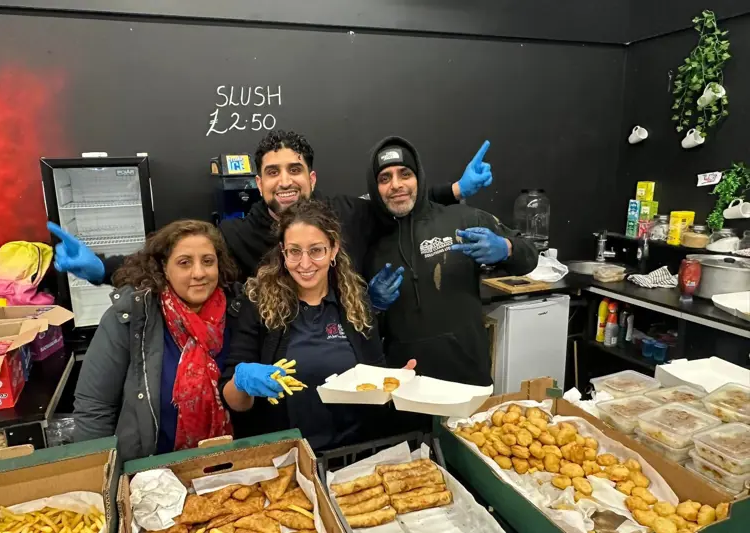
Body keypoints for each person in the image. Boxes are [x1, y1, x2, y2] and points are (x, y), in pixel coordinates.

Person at [48, 130, 493, 311]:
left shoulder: (348, 213)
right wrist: (101, 268)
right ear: (259, 183)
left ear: (311, 178)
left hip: (356, 359)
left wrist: (455, 190)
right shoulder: (235, 236)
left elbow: (395, 200)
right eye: (273, 172)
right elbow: (174, 262)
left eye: (295, 170)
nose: (285, 181)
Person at [220, 200, 393, 450]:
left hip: (353, 453)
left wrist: (394, 384)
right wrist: (241, 381)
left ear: (333, 249)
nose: (304, 263)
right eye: (294, 251)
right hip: (286, 455)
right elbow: (234, 401)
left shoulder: (356, 301)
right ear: (283, 252)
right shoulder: (258, 304)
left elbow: (376, 376)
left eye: (316, 250)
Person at [366, 137, 538, 387]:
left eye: (405, 174)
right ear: (375, 188)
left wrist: (507, 249)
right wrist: (372, 305)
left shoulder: (464, 220)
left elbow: (530, 257)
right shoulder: (369, 242)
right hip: (404, 381)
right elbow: (362, 330)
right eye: (385, 178)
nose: (397, 185)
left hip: (467, 376)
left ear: (419, 178)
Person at [73, 220, 239, 460]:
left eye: (207, 261)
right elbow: (94, 407)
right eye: (184, 263)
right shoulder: (131, 318)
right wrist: (98, 471)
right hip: (150, 469)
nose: (199, 273)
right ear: (164, 268)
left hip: (232, 464)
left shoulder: (238, 312)